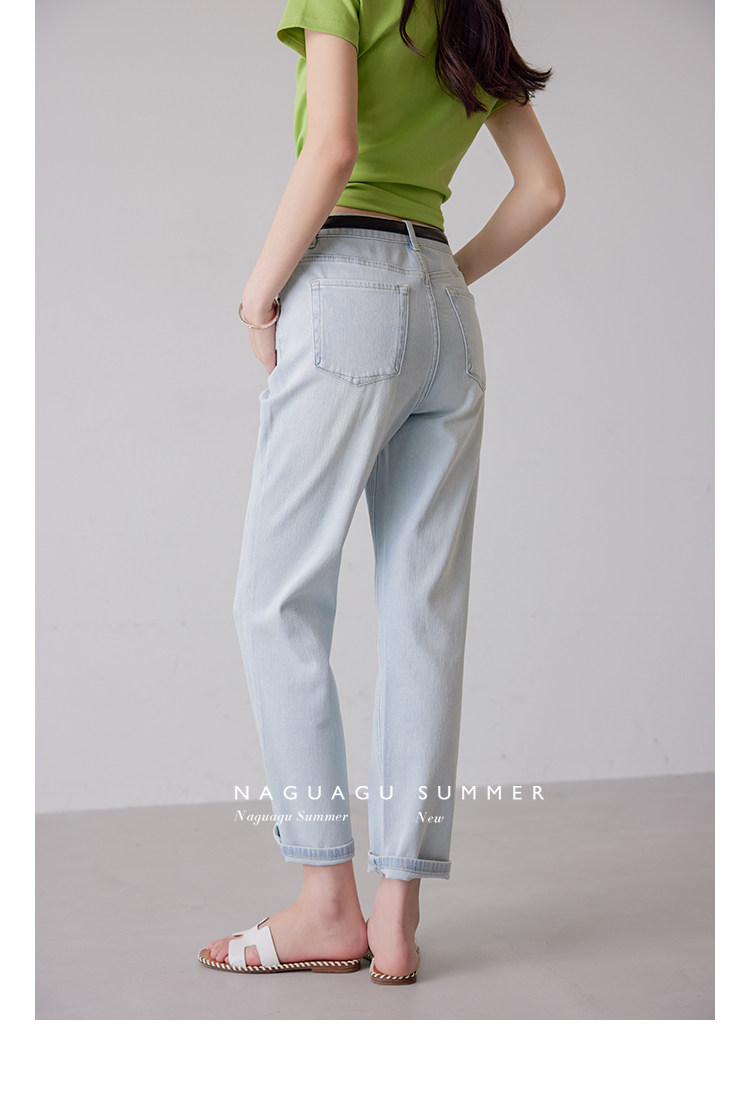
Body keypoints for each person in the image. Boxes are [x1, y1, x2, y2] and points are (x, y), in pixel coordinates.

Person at [199, 0, 564, 986]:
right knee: (423, 615)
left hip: (346, 287)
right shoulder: (473, 13)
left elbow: (332, 149)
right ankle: (396, 916)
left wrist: (258, 294)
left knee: (276, 600)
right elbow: (543, 188)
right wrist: (446, 276)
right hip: (445, 309)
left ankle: (327, 902)